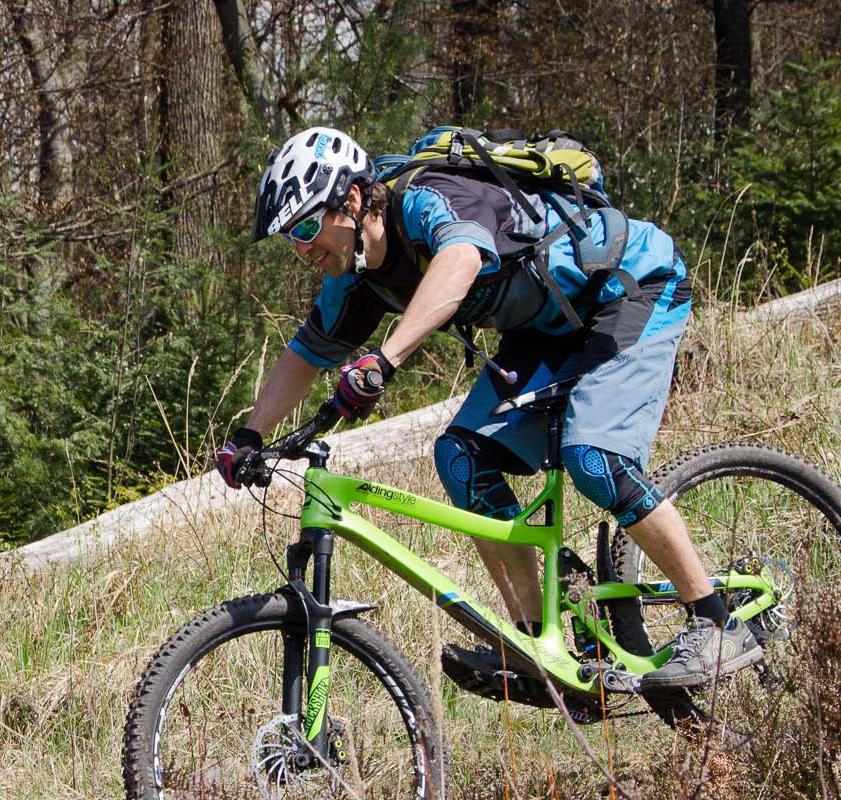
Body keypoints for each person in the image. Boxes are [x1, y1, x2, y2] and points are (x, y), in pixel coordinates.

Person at [216, 126, 760, 691]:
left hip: (629, 288)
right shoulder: (355, 278)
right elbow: (306, 353)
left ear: (352, 200)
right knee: (460, 456)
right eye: (292, 239)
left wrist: (385, 358)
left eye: (307, 227)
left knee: (594, 458)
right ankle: (537, 646)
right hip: (547, 332)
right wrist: (250, 436)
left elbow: (462, 259)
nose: (304, 249)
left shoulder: (428, 197)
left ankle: (714, 621)